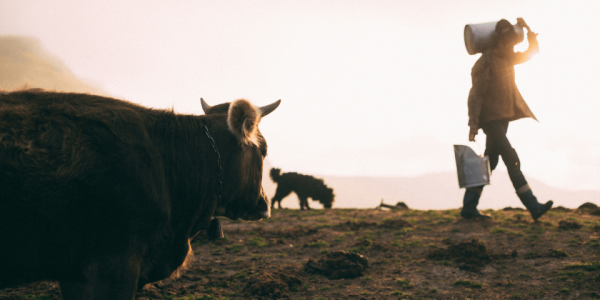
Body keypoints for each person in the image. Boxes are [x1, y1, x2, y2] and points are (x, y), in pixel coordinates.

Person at [462, 18, 553, 221]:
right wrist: (473, 124)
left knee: (490, 162)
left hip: (502, 119)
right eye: (509, 42)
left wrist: (529, 31)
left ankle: (469, 206)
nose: (512, 45)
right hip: (491, 121)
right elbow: (475, 95)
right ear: (500, 41)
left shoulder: (507, 57)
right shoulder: (487, 61)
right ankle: (533, 205)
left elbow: (532, 53)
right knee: (511, 158)